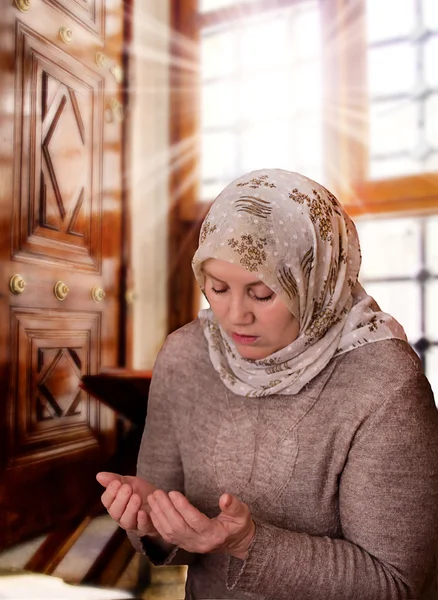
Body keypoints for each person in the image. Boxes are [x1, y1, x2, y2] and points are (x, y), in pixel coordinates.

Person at [97, 169, 438, 600]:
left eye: (262, 294)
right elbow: (175, 539)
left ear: (317, 282)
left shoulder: (385, 384)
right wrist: (153, 521)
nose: (235, 315)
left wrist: (246, 543)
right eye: (217, 288)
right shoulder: (186, 355)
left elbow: (395, 584)